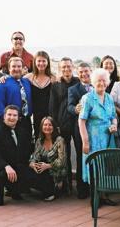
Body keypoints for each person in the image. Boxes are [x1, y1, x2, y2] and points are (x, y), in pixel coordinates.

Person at [0, 105, 55, 206]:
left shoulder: (23, 131)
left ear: (18, 117)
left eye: (14, 115)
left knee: (39, 175)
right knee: (2, 175)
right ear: (4, 116)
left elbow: (29, 149)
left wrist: (33, 162)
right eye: (9, 115)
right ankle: (0, 193)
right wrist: (6, 166)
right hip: (1, 167)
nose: (11, 117)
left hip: (19, 165)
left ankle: (16, 190)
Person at [78, 68, 118, 206]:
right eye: (98, 81)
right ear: (93, 83)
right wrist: (85, 141)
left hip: (107, 137)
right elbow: (81, 121)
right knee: (93, 166)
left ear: (107, 83)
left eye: (103, 80)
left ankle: (104, 196)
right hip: (93, 138)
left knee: (105, 166)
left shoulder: (109, 97)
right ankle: (94, 198)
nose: (101, 83)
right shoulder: (88, 98)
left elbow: (113, 117)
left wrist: (114, 125)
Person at [49, 57, 79, 191]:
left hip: (78, 123)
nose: (66, 69)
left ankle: (81, 183)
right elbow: (52, 107)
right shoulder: (55, 85)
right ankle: (66, 183)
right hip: (62, 123)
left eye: (68, 66)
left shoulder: (79, 83)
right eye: (63, 67)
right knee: (64, 154)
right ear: (60, 69)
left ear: (73, 67)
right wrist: (56, 125)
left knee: (80, 152)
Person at [67, 62, 92, 199]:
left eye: (86, 71)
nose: (84, 74)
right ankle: (82, 189)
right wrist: (75, 109)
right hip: (80, 128)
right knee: (82, 156)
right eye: (81, 72)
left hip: (96, 129)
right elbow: (69, 106)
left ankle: (95, 186)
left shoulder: (97, 86)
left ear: (91, 71)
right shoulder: (73, 89)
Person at [0, 57, 33, 136]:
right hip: (11, 122)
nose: (16, 69)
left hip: (26, 121)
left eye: (19, 66)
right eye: (13, 66)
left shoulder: (26, 82)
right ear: (9, 68)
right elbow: (0, 105)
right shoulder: (2, 84)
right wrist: (6, 124)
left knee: (27, 146)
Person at [29, 117, 67, 195]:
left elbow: (62, 162)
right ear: (41, 127)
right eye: (45, 125)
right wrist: (32, 164)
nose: (47, 127)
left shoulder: (60, 140)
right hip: (43, 169)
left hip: (56, 170)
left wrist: (48, 166)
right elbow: (35, 156)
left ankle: (57, 187)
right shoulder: (39, 140)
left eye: (50, 125)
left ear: (54, 127)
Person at [24, 51, 56, 138]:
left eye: (44, 61)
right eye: (39, 61)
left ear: (47, 62)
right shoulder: (28, 77)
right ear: (35, 62)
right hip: (35, 115)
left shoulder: (53, 78)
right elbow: (15, 79)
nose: (41, 63)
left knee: (50, 138)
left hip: (50, 114)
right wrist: (5, 77)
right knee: (38, 138)